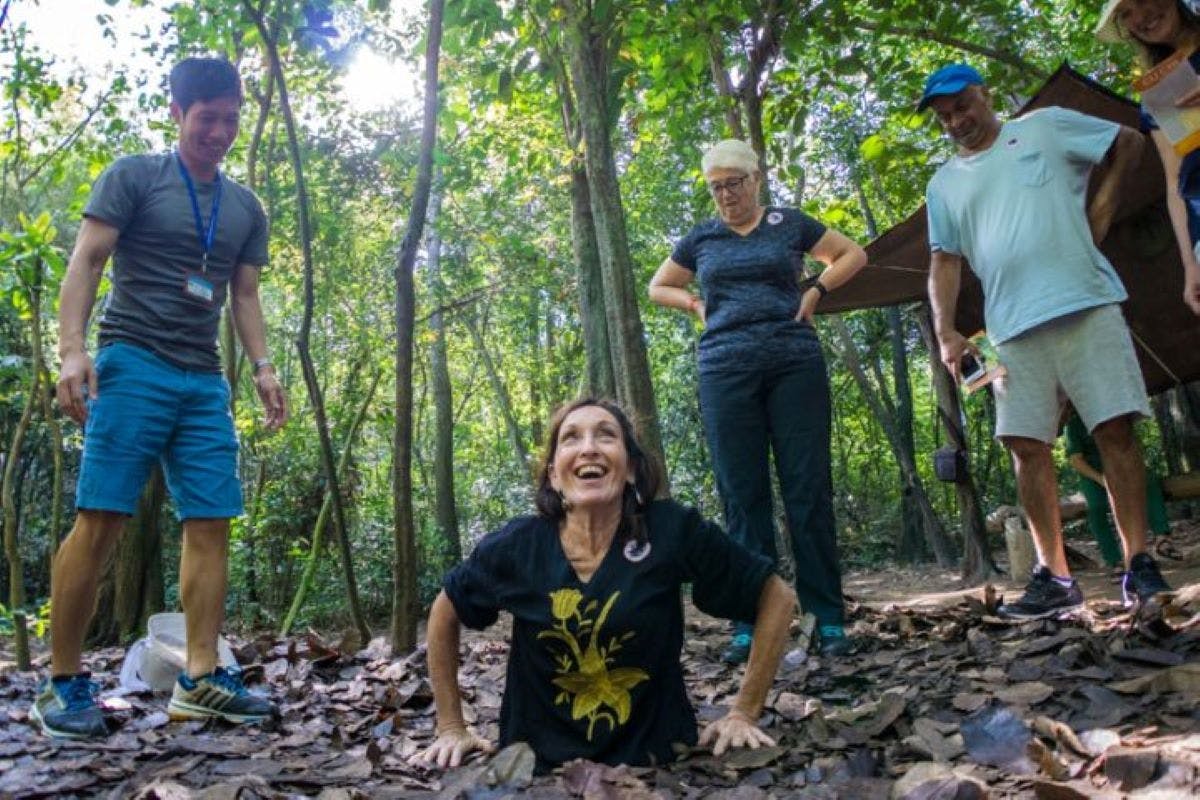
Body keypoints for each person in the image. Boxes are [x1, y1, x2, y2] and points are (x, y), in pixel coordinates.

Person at [32, 57, 287, 739]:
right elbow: (86, 260)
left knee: (211, 518)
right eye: (208, 118)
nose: (221, 132)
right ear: (177, 114)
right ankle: (62, 683)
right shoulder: (134, 177)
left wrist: (262, 368)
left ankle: (201, 679)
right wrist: (72, 351)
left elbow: (245, 293)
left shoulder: (244, 207)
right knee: (103, 518)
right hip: (133, 362)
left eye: (232, 118)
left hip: (203, 378)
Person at [415, 399, 797, 772]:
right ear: (553, 474)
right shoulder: (518, 546)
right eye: (571, 438)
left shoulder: (673, 530)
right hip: (534, 769)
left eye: (606, 435)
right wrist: (451, 727)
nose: (589, 449)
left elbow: (776, 596)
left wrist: (744, 712)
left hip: (657, 766)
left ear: (631, 467)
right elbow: (445, 610)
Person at [920, 63, 1173, 619]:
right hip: (1010, 327)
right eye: (944, 115)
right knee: (1026, 445)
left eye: (963, 105)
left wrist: (1097, 216)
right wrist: (945, 332)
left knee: (1115, 429)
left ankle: (1138, 564)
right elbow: (944, 261)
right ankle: (1054, 576)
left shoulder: (1042, 127)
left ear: (984, 95)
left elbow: (1128, 143)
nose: (957, 120)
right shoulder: (944, 184)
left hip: (1085, 301)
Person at [647, 139, 866, 662]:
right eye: (716, 187)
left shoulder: (788, 223)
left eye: (733, 184)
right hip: (724, 369)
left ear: (755, 179)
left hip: (794, 363)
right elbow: (659, 286)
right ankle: (751, 617)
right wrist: (694, 302)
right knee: (741, 496)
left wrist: (815, 292)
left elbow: (853, 253)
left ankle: (827, 618)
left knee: (807, 489)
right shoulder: (702, 237)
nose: (725, 195)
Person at [1096, 0, 1200, 315]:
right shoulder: (1162, 88)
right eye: (1126, 13)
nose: (1141, 16)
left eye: (1142, 0)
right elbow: (1175, 181)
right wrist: (1189, 264)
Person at [1063, 408, 1170, 567]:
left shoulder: (1117, 414)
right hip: (1093, 474)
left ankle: (1162, 538)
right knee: (1095, 507)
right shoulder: (1074, 424)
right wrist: (1102, 480)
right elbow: (1076, 460)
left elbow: (1129, 445)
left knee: (1149, 482)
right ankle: (1114, 560)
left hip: (1122, 466)